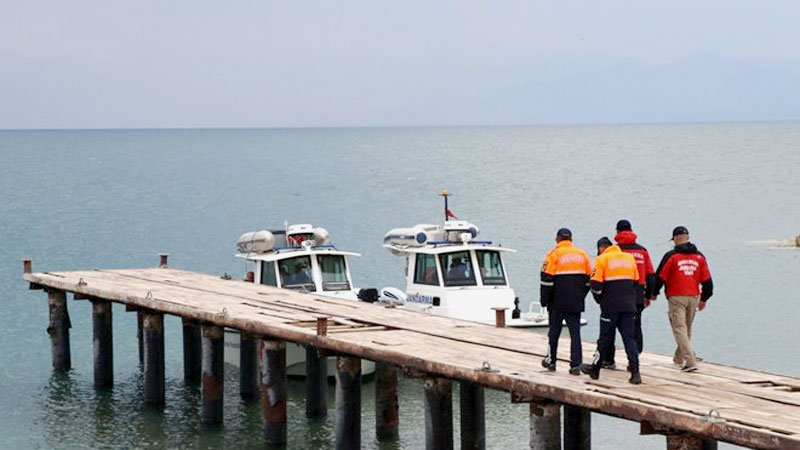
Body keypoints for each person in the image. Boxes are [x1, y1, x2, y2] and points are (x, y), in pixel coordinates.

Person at [653, 226, 713, 373]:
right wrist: (704, 298)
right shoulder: (699, 257)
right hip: (694, 296)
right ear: (688, 237)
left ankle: (690, 361)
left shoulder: (671, 257)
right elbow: (707, 281)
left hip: (676, 297)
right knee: (687, 328)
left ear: (675, 239)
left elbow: (659, 277)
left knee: (680, 329)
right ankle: (678, 358)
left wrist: (653, 293)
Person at [582, 237, 642, 384]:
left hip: (610, 306)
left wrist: (600, 300)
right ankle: (635, 373)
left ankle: (595, 369)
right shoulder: (629, 258)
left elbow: (595, 285)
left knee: (604, 338)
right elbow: (636, 282)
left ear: (601, 248)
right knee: (629, 338)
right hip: (628, 306)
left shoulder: (602, 259)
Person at [601, 219, 656, 369]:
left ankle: (608, 360)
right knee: (635, 326)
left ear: (617, 232)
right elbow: (651, 274)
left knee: (610, 327)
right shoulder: (642, 251)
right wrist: (648, 295)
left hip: (616, 293)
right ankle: (634, 360)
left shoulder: (615, 251)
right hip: (638, 294)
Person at [540, 228, 591, 375]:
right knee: (575, 333)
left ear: (557, 239)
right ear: (571, 239)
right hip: (575, 301)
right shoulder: (582, 255)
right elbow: (589, 280)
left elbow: (546, 280)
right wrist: (581, 295)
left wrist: (544, 300)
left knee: (554, 333)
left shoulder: (553, 255)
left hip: (557, 301)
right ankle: (576, 364)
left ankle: (551, 361)